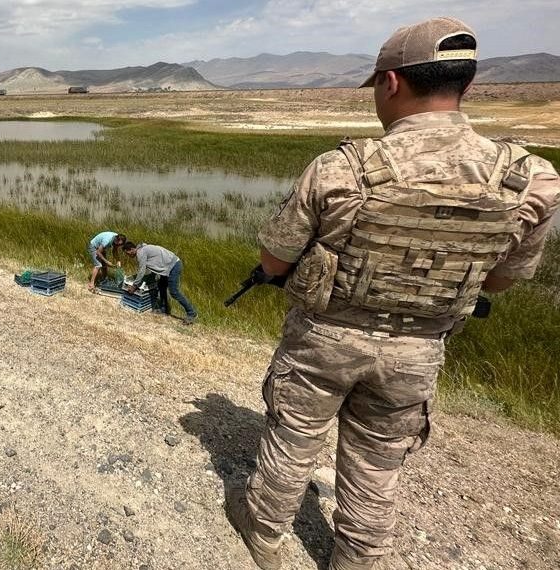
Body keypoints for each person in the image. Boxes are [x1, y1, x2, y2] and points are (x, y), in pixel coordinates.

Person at [227, 17, 560, 570]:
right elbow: (501, 279)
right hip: (419, 348)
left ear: (391, 82)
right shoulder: (529, 178)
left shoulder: (343, 167)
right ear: (467, 86)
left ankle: (263, 534)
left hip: (323, 341)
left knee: (295, 436)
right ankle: (355, 558)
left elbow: (274, 260)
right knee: (377, 464)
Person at [122, 242, 197, 324]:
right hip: (168, 266)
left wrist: (134, 285)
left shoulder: (141, 253)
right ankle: (164, 309)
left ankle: (191, 313)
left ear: (132, 249)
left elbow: (141, 271)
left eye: (127, 253)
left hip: (173, 266)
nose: (128, 255)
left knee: (174, 292)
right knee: (161, 286)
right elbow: (154, 260)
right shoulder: (143, 248)